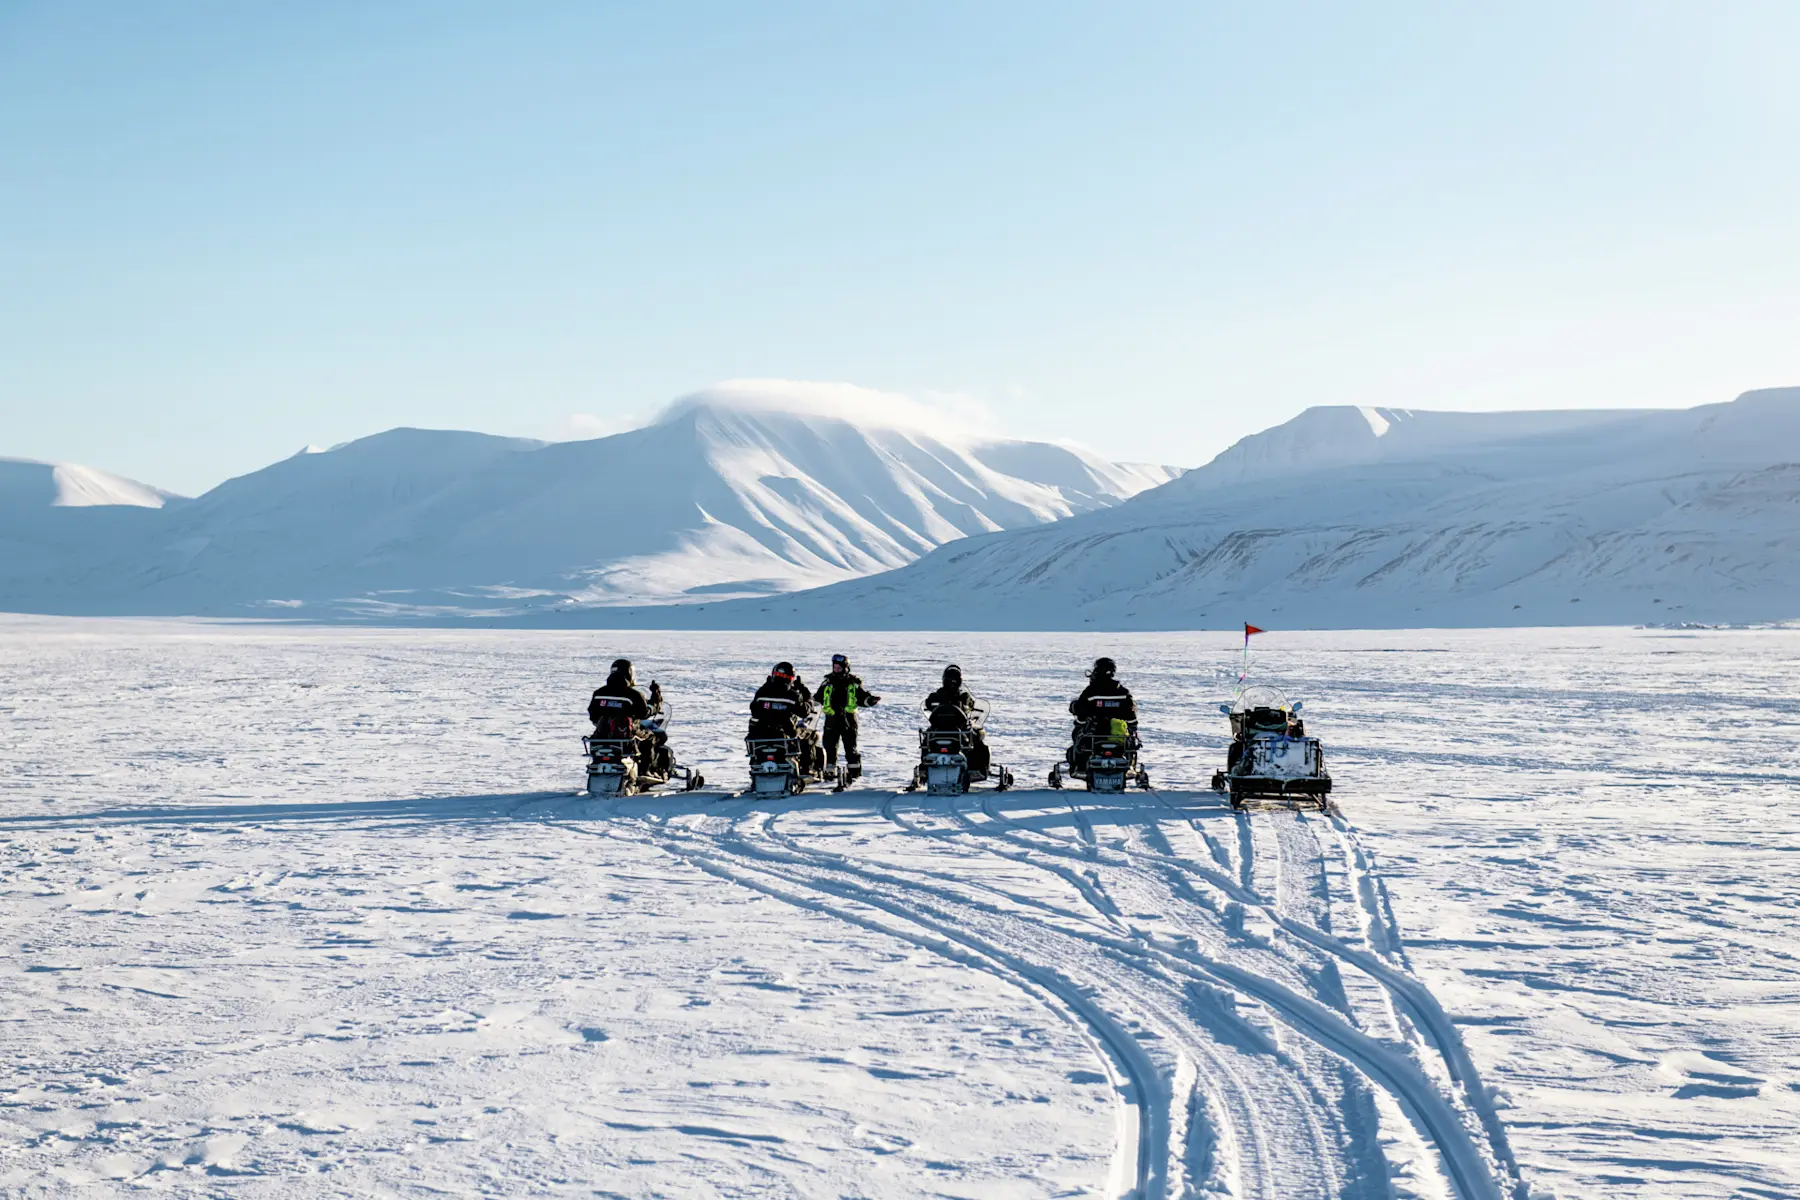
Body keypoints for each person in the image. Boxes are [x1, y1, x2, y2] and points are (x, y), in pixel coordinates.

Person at [587, 658, 668, 776]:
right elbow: (644, 713)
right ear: (629, 673)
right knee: (651, 737)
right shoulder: (632, 694)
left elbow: (592, 714)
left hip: (603, 734)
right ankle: (645, 770)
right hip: (626, 733)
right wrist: (656, 701)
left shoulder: (599, 693)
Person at [748, 661, 820, 773]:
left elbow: (753, 709)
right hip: (785, 735)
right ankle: (807, 768)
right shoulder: (792, 695)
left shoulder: (762, 692)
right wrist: (805, 695)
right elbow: (804, 712)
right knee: (811, 735)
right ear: (791, 678)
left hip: (761, 735)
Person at [814, 653, 880, 776]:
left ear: (845, 668)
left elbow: (862, 697)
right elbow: (817, 699)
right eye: (835, 667)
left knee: (851, 748)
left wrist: (870, 700)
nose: (836, 669)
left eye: (839, 667)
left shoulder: (853, 683)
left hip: (848, 721)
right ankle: (829, 772)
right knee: (829, 747)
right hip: (831, 721)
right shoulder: (827, 682)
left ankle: (854, 772)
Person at [1067, 657, 1137, 772]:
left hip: (1094, 733)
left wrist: (1076, 711)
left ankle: (1079, 766)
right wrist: (1133, 727)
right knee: (1130, 742)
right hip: (1117, 736)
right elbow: (1131, 714)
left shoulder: (1091, 691)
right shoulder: (1123, 692)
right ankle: (1129, 765)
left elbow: (1081, 711)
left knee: (1078, 739)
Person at [923, 664, 989, 774]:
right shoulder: (963, 696)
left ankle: (924, 767)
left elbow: (928, 704)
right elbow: (971, 706)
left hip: (939, 730)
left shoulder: (937, 695)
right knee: (978, 737)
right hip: (958, 730)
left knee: (926, 739)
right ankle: (979, 768)